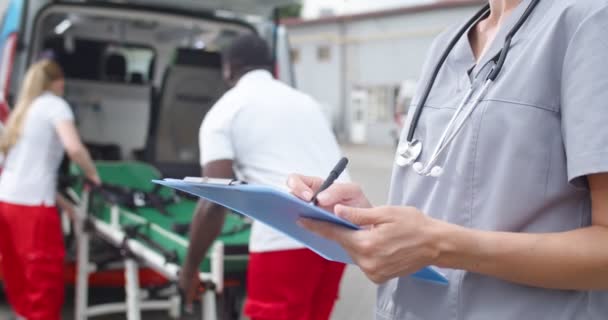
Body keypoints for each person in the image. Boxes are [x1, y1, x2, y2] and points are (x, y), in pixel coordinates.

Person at [288, 0, 608, 319]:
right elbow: (451, 204)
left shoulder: (590, 22)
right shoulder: (447, 44)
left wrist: (440, 244)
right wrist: (369, 222)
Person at [179, 34, 348, 320]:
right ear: (271, 66)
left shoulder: (223, 112)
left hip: (285, 241)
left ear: (228, 68)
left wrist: (189, 269)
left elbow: (213, 201)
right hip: (340, 235)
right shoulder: (306, 102)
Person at [0, 59, 100, 320]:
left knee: (18, 273)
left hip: (7, 202)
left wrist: (65, 205)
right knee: (43, 278)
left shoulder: (23, 110)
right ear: (58, 82)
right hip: (33, 208)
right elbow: (74, 148)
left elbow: (28, 169)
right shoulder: (56, 105)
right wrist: (92, 173)